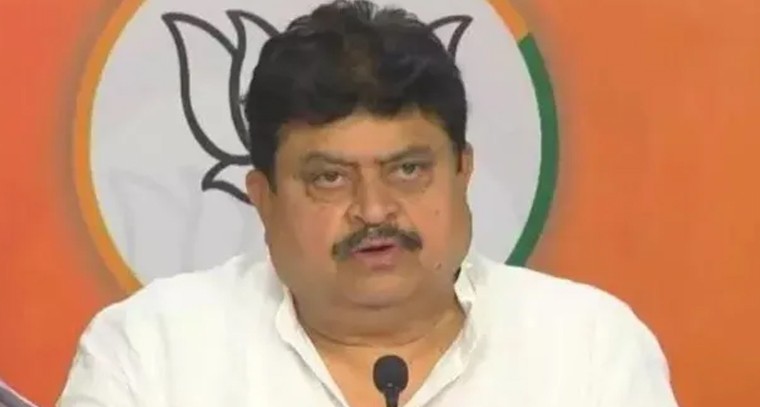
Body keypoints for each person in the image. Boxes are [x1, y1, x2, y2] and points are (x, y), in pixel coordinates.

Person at [58, 1, 680, 406]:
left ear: (462, 172)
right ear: (263, 199)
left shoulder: (586, 347)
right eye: (329, 178)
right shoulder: (153, 352)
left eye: (408, 170)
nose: (375, 210)